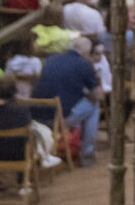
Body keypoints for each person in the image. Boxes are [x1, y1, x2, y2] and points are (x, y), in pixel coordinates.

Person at [38, 36, 102, 166]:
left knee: (78, 104)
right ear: (86, 53)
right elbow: (98, 96)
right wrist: (94, 72)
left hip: (39, 114)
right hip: (60, 117)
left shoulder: (51, 60)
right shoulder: (84, 64)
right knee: (94, 106)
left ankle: (74, 146)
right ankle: (87, 155)